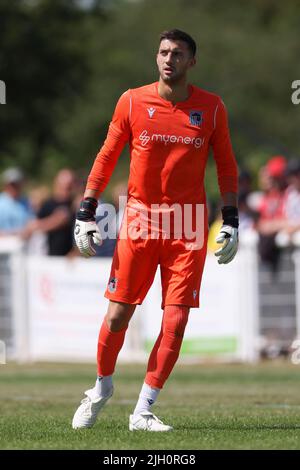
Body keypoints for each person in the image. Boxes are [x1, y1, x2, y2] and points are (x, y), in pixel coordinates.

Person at [72, 29, 239, 432]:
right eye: (163, 52)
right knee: (118, 315)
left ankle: (143, 410)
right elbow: (107, 154)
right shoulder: (132, 100)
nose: (169, 59)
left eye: (178, 53)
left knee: (176, 320)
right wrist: (86, 209)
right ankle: (100, 388)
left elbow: (227, 165)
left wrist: (231, 218)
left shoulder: (212, 108)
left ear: (191, 62)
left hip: (188, 227)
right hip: (140, 222)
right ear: (156, 57)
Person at [21, 169, 76, 256]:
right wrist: (55, 221)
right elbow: (33, 228)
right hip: (49, 258)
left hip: (72, 259)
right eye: (64, 186)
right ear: (56, 184)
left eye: (69, 187)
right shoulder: (47, 204)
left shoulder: (76, 204)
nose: (66, 190)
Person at [0, 167, 33, 235]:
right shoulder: (1, 202)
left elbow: (31, 222)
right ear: (6, 185)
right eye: (12, 185)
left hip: (23, 242)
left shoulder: (26, 201)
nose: (15, 187)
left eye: (17, 184)